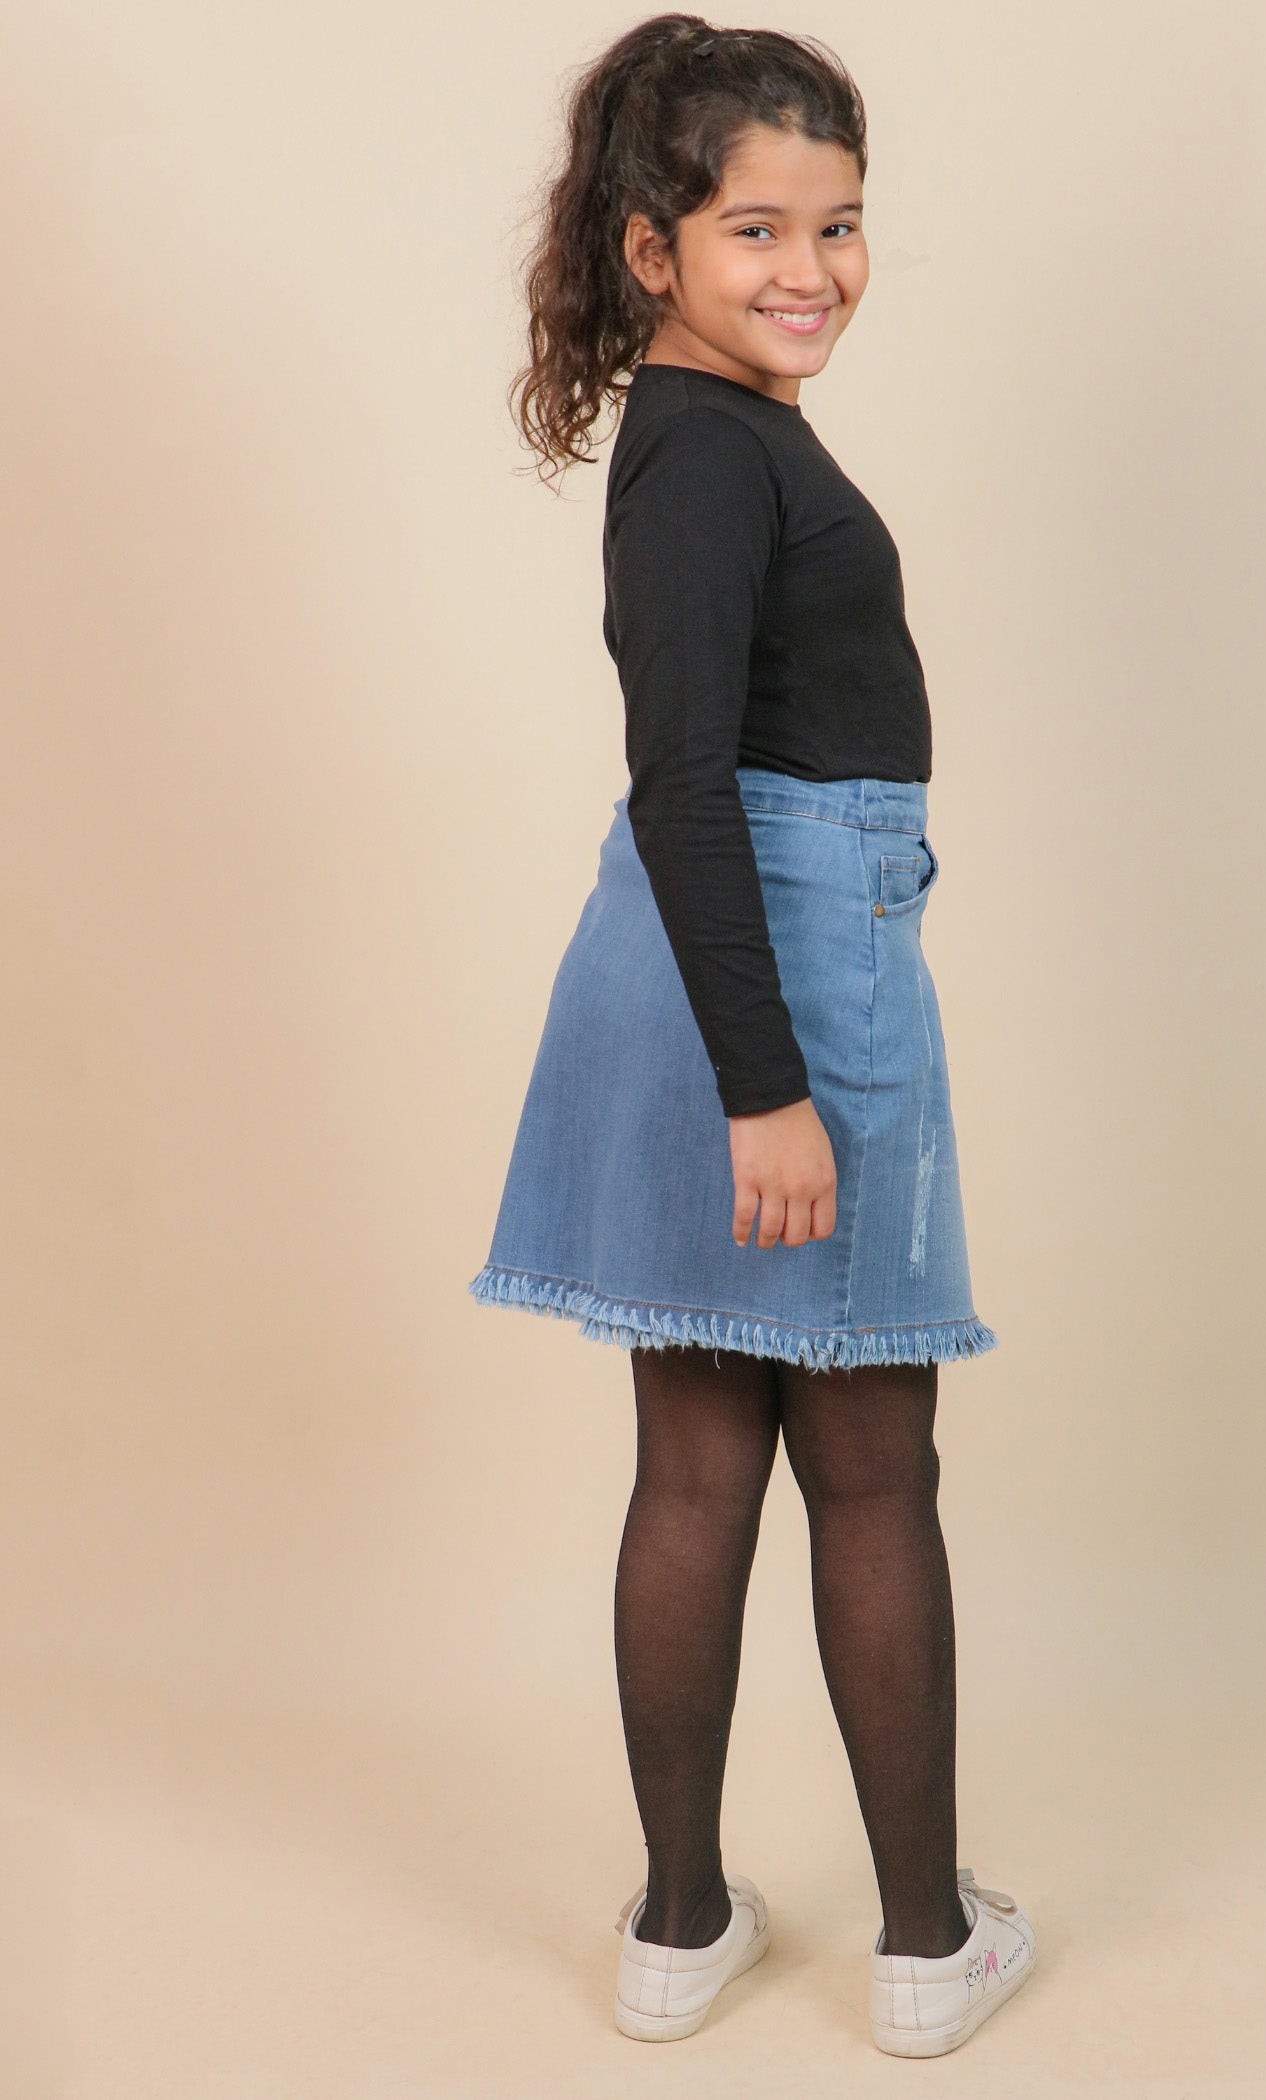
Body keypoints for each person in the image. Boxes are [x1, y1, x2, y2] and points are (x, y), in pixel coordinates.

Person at [467, 12, 1035, 2057]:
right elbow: (682, 775)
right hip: (770, 971)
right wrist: (769, 1085)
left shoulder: (711, 438)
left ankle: (680, 1928)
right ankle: (918, 1948)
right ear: (649, 251)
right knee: (863, 1468)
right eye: (753, 229)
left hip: (698, 955)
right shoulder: (708, 460)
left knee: (699, 1456)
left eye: (842, 223)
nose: (809, 268)